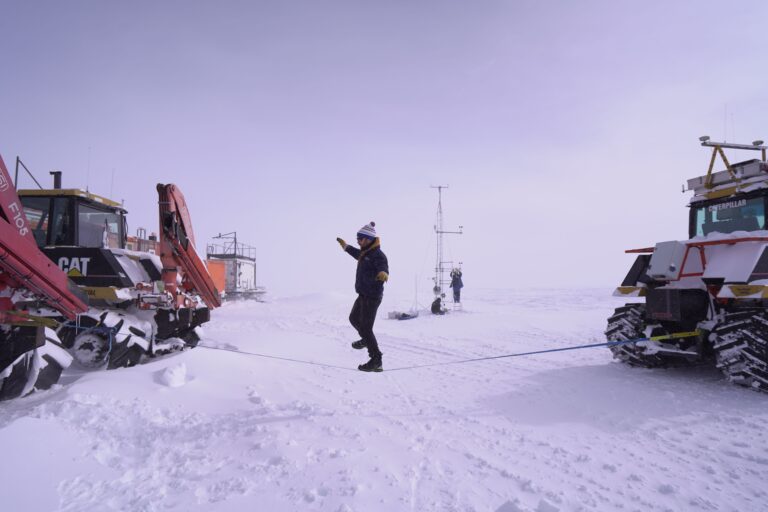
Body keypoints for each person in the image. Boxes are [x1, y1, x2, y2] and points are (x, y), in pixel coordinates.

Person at [336, 221, 389, 372]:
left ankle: (376, 360)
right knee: (353, 319)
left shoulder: (378, 255)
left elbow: (383, 266)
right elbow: (357, 254)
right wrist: (346, 247)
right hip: (362, 295)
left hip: (372, 297)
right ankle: (366, 340)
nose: (358, 241)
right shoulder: (365, 253)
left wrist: (383, 273)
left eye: (360, 239)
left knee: (366, 328)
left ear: (368, 239)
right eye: (357, 239)